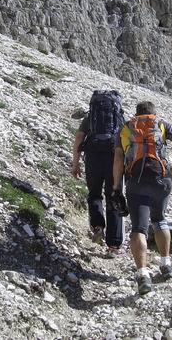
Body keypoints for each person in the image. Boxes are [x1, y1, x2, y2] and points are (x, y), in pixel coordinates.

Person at [112, 101, 172, 295]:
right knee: (159, 220)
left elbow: (118, 159)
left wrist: (116, 187)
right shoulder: (162, 125)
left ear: (136, 114)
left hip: (136, 182)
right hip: (161, 181)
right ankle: (166, 264)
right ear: (153, 114)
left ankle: (143, 274)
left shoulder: (126, 128)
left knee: (139, 227)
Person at [72, 91, 125, 257]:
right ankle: (114, 246)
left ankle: (97, 226)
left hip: (93, 157)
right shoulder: (120, 118)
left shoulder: (90, 117)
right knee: (113, 196)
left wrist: (76, 163)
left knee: (94, 194)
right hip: (113, 160)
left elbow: (79, 138)